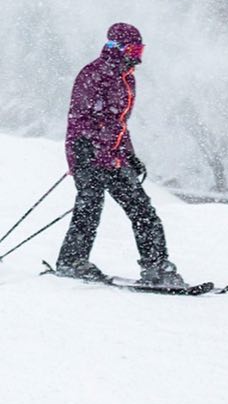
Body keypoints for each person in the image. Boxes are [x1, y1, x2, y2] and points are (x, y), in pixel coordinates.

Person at [54, 22, 188, 288]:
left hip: (113, 157)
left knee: (142, 210)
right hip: (87, 154)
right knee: (89, 207)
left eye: (141, 49)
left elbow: (119, 123)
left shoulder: (126, 78)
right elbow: (81, 119)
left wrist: (129, 155)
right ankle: (72, 261)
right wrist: (88, 151)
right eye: (134, 48)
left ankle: (156, 266)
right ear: (117, 48)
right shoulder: (93, 74)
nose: (138, 55)